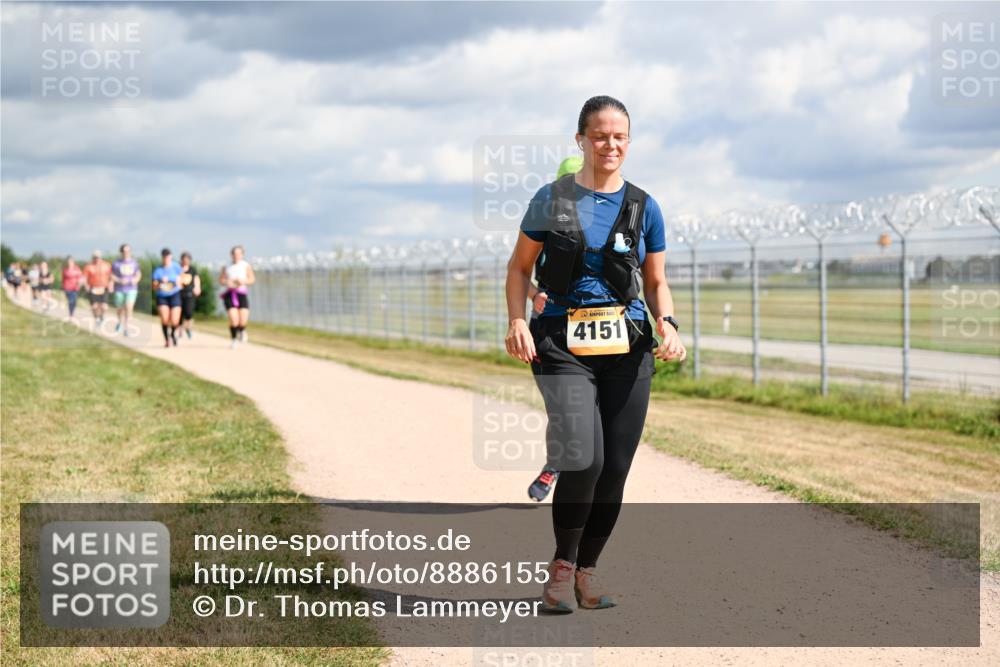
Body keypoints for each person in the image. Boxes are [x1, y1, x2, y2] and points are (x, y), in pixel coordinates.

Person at [505, 96, 686, 613]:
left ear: (629, 142)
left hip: (628, 348)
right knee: (585, 456)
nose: (611, 145)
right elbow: (519, 269)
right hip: (562, 345)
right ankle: (562, 568)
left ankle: (588, 570)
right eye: (601, 135)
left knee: (615, 468)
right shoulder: (551, 199)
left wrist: (668, 324)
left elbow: (656, 280)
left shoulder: (644, 206)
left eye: (620, 136)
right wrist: (517, 320)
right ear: (581, 139)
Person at [218, 245, 255, 349]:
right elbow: (221, 280)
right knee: (234, 320)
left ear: (242, 254)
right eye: (234, 253)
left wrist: (243, 281)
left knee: (242, 320)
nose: (236, 255)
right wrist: (227, 282)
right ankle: (234, 339)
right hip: (230, 294)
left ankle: (242, 330)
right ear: (231, 254)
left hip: (241, 294)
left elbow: (252, 279)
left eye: (239, 253)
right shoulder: (226, 266)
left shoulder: (245, 265)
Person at [152, 248, 183, 347]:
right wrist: (160, 282)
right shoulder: (158, 270)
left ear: (171, 257)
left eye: (168, 257)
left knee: (175, 320)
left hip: (175, 294)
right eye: (165, 257)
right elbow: (154, 286)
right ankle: (166, 340)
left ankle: (173, 333)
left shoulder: (176, 267)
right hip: (162, 296)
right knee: (165, 319)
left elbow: (183, 279)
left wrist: (179, 282)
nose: (166, 259)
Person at [111, 243, 142, 336]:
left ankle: (127, 328)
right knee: (120, 308)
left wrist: (135, 280)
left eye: (128, 251)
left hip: (132, 289)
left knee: (129, 307)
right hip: (119, 289)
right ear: (121, 252)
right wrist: (119, 280)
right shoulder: (116, 263)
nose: (126, 252)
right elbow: (111, 275)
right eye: (124, 251)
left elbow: (138, 274)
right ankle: (120, 322)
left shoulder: (134, 263)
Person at [83, 250, 112, 324]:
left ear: (101, 257)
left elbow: (111, 277)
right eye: (95, 257)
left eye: (98, 257)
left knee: (104, 306)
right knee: (94, 306)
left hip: (104, 288)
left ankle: (101, 316)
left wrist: (111, 285)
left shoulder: (107, 265)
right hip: (93, 288)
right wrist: (86, 285)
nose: (97, 259)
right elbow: (85, 277)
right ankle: (96, 318)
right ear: (93, 258)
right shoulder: (88, 266)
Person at [178, 252, 202, 340]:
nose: (185, 261)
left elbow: (196, 279)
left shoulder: (192, 269)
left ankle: (188, 328)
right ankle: (180, 331)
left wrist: (197, 288)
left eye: (187, 259)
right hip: (179, 294)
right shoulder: (178, 268)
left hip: (189, 294)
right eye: (184, 259)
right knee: (179, 313)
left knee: (189, 313)